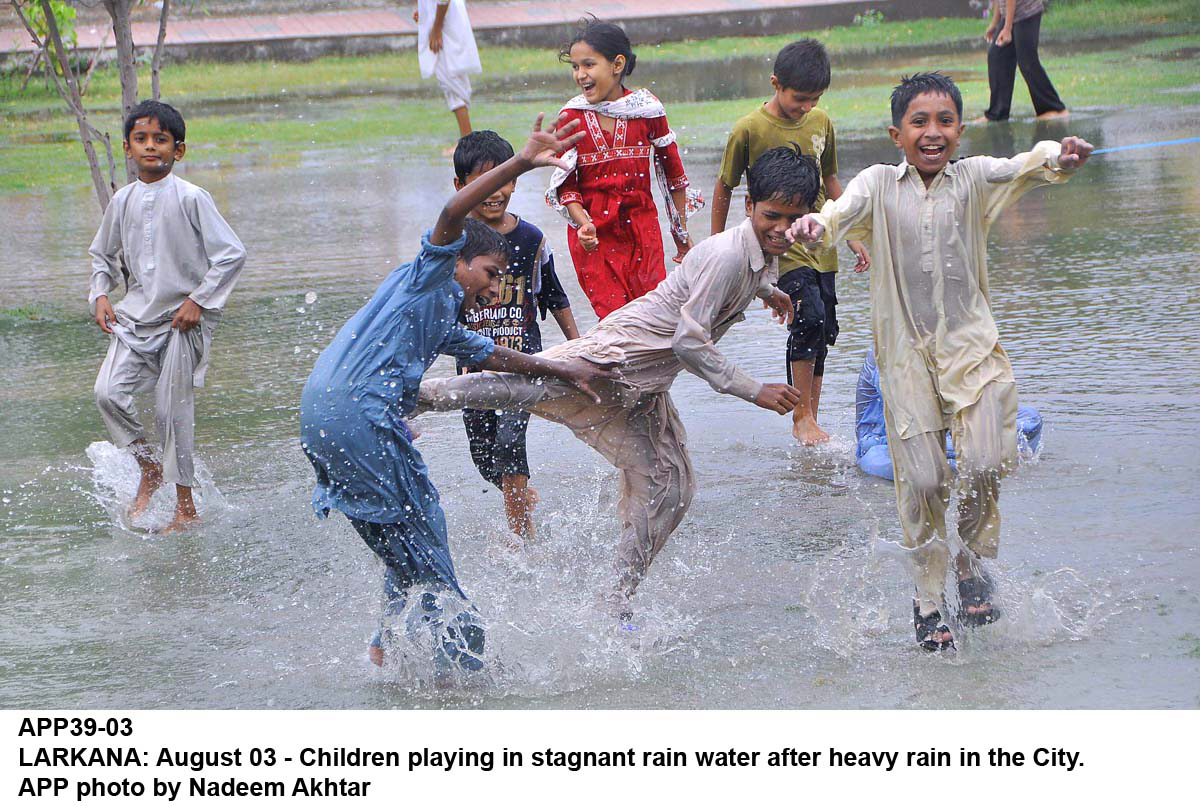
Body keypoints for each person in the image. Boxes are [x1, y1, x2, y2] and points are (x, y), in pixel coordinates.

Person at [420, 145, 819, 620]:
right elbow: (690, 342)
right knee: (522, 385)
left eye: (792, 219)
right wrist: (755, 389)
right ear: (749, 205)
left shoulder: (760, 249)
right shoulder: (728, 255)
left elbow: (734, 276)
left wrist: (768, 292)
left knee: (672, 489)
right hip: (619, 354)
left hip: (646, 381)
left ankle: (616, 599)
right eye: (771, 215)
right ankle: (416, 397)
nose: (780, 228)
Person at [789, 72, 1093, 651]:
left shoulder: (973, 179)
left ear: (959, 129)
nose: (933, 133)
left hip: (970, 348)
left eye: (945, 121)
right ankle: (928, 600)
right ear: (896, 135)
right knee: (924, 478)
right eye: (919, 122)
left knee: (988, 458)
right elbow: (837, 212)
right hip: (902, 357)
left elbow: (1025, 164)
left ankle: (969, 562)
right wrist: (816, 224)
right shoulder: (878, 184)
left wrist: (1062, 154)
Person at [300, 113, 606, 671]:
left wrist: (568, 373)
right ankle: (465, 676)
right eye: (488, 273)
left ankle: (386, 638)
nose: (492, 289)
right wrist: (520, 164)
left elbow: (498, 356)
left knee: (405, 530)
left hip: (323, 416)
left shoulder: (441, 314)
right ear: (458, 258)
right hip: (360, 416)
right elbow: (449, 213)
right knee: (432, 544)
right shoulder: (430, 273)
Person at [90, 100, 246, 533]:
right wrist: (101, 294)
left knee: (171, 412)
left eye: (161, 140)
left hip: (182, 321)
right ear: (127, 148)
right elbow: (102, 254)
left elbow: (231, 254)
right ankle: (149, 466)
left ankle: (186, 508)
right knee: (107, 393)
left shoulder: (192, 197)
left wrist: (199, 300)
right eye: (141, 139)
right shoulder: (122, 201)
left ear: (178, 150)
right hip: (135, 319)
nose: (150, 147)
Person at [711, 39, 869, 445]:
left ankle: (811, 416)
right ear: (775, 84)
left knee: (824, 327)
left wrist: (850, 233)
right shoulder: (750, 128)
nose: (806, 107)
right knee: (808, 317)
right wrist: (715, 245)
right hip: (780, 246)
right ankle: (801, 417)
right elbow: (725, 186)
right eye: (799, 98)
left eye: (814, 99)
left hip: (821, 242)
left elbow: (831, 180)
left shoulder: (821, 121)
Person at [451, 129, 580, 542]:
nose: (496, 193)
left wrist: (577, 348)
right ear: (461, 186)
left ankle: (523, 539)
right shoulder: (452, 244)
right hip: (473, 365)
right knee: (483, 456)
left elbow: (555, 295)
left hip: (524, 362)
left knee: (509, 441)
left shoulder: (530, 239)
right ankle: (519, 492)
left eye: (504, 180)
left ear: (514, 179)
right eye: (482, 181)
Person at [547, 17, 703, 319]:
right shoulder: (571, 117)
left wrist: (681, 236)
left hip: (642, 231)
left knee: (653, 317)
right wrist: (583, 224)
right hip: (595, 239)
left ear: (617, 64)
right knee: (617, 322)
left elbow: (674, 177)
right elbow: (565, 186)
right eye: (575, 67)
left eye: (589, 65)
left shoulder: (647, 110)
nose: (581, 75)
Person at [976, 0, 1068, 123]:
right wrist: (995, 23)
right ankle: (997, 113)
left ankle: (1055, 108)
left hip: (1026, 13)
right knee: (997, 57)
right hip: (1010, 14)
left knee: (1027, 61)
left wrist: (1007, 28)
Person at [414, 0, 482, 141]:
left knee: (453, 84)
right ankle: (466, 141)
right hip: (444, 19)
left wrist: (437, 28)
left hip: (445, 25)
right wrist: (425, 10)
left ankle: (467, 144)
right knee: (452, 83)